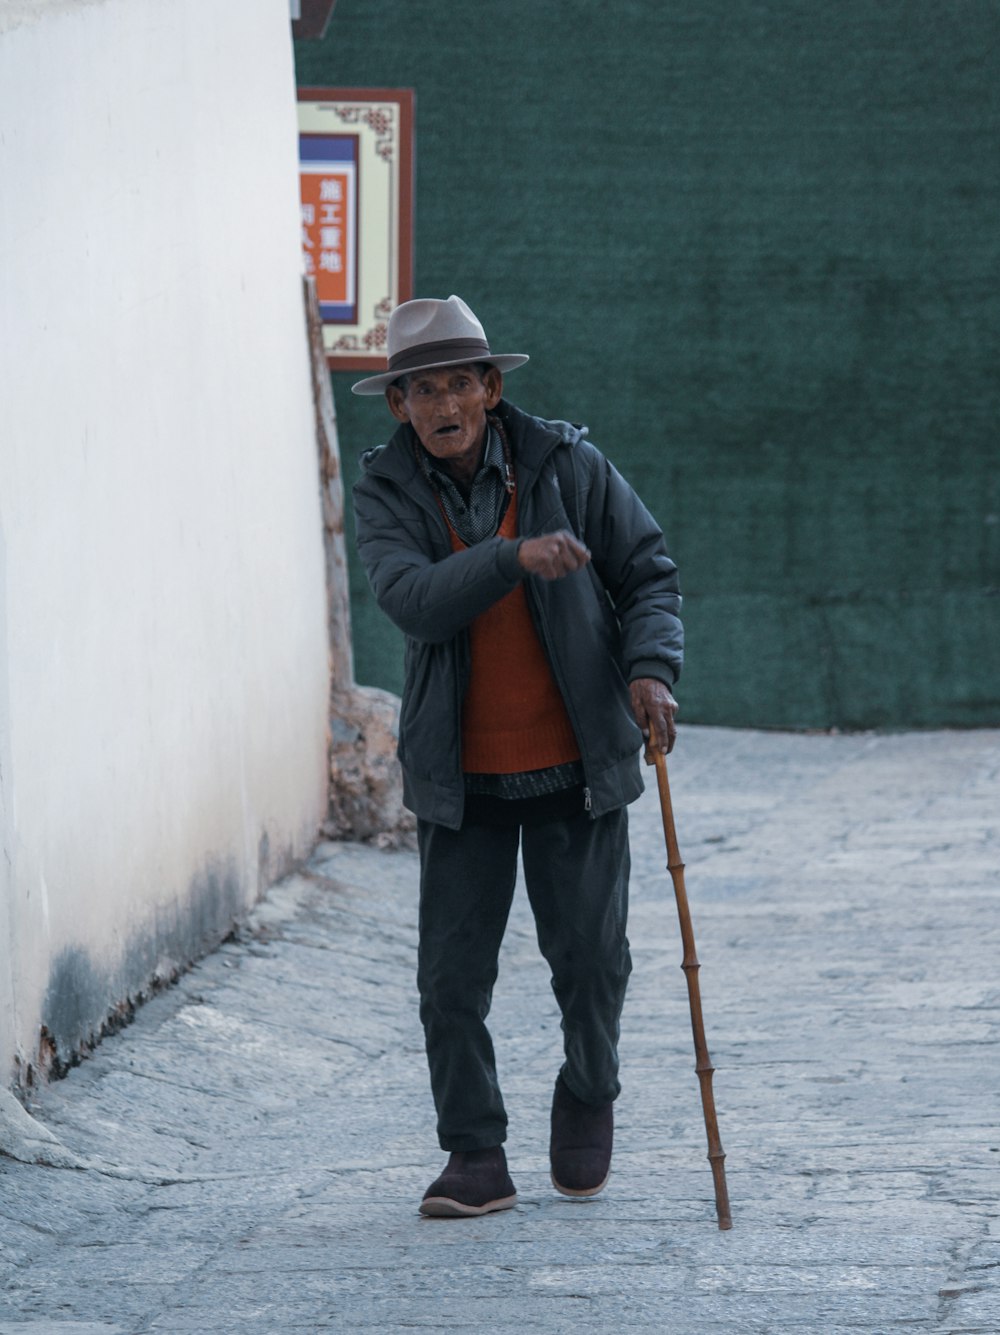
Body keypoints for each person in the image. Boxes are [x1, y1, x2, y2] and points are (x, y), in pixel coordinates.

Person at [351, 295, 682, 1218]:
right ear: (398, 406)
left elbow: (647, 569)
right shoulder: (388, 492)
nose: (445, 403)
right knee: (451, 981)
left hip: (577, 764)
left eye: (461, 382)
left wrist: (652, 669)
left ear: (492, 389)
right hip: (464, 778)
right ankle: (475, 1151)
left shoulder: (567, 465)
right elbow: (412, 599)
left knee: (591, 961)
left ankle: (589, 1087)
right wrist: (510, 558)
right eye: (423, 389)